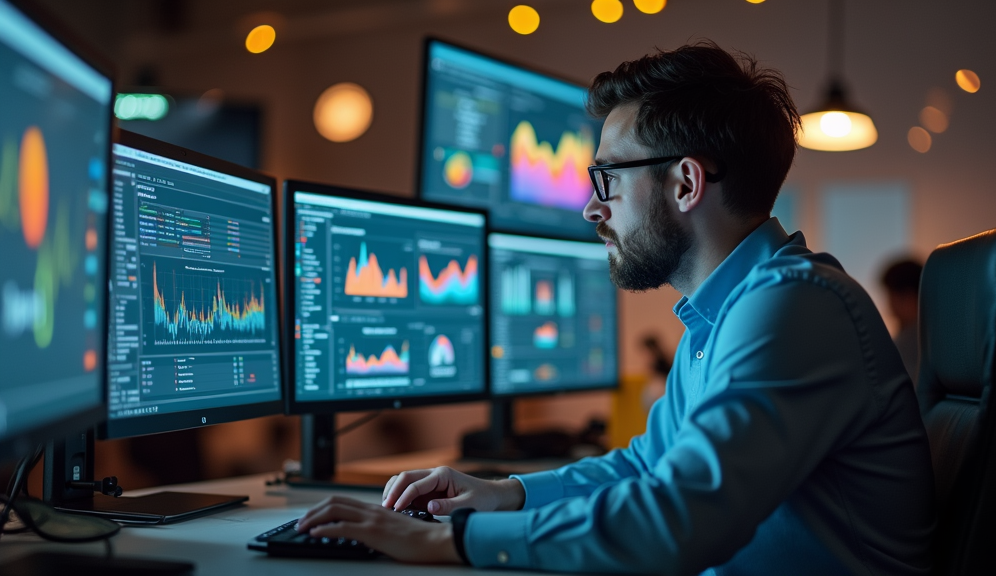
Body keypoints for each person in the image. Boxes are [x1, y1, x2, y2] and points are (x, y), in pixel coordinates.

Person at [295, 41, 935, 575]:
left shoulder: (794, 307)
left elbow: (680, 520)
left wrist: (449, 541)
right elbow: (649, 468)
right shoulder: (725, 315)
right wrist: (504, 495)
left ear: (685, 183)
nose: (591, 208)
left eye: (609, 179)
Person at [881, 258, 924, 386]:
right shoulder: (930, 334)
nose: (889, 306)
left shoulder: (912, 339)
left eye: (890, 296)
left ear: (908, 297)